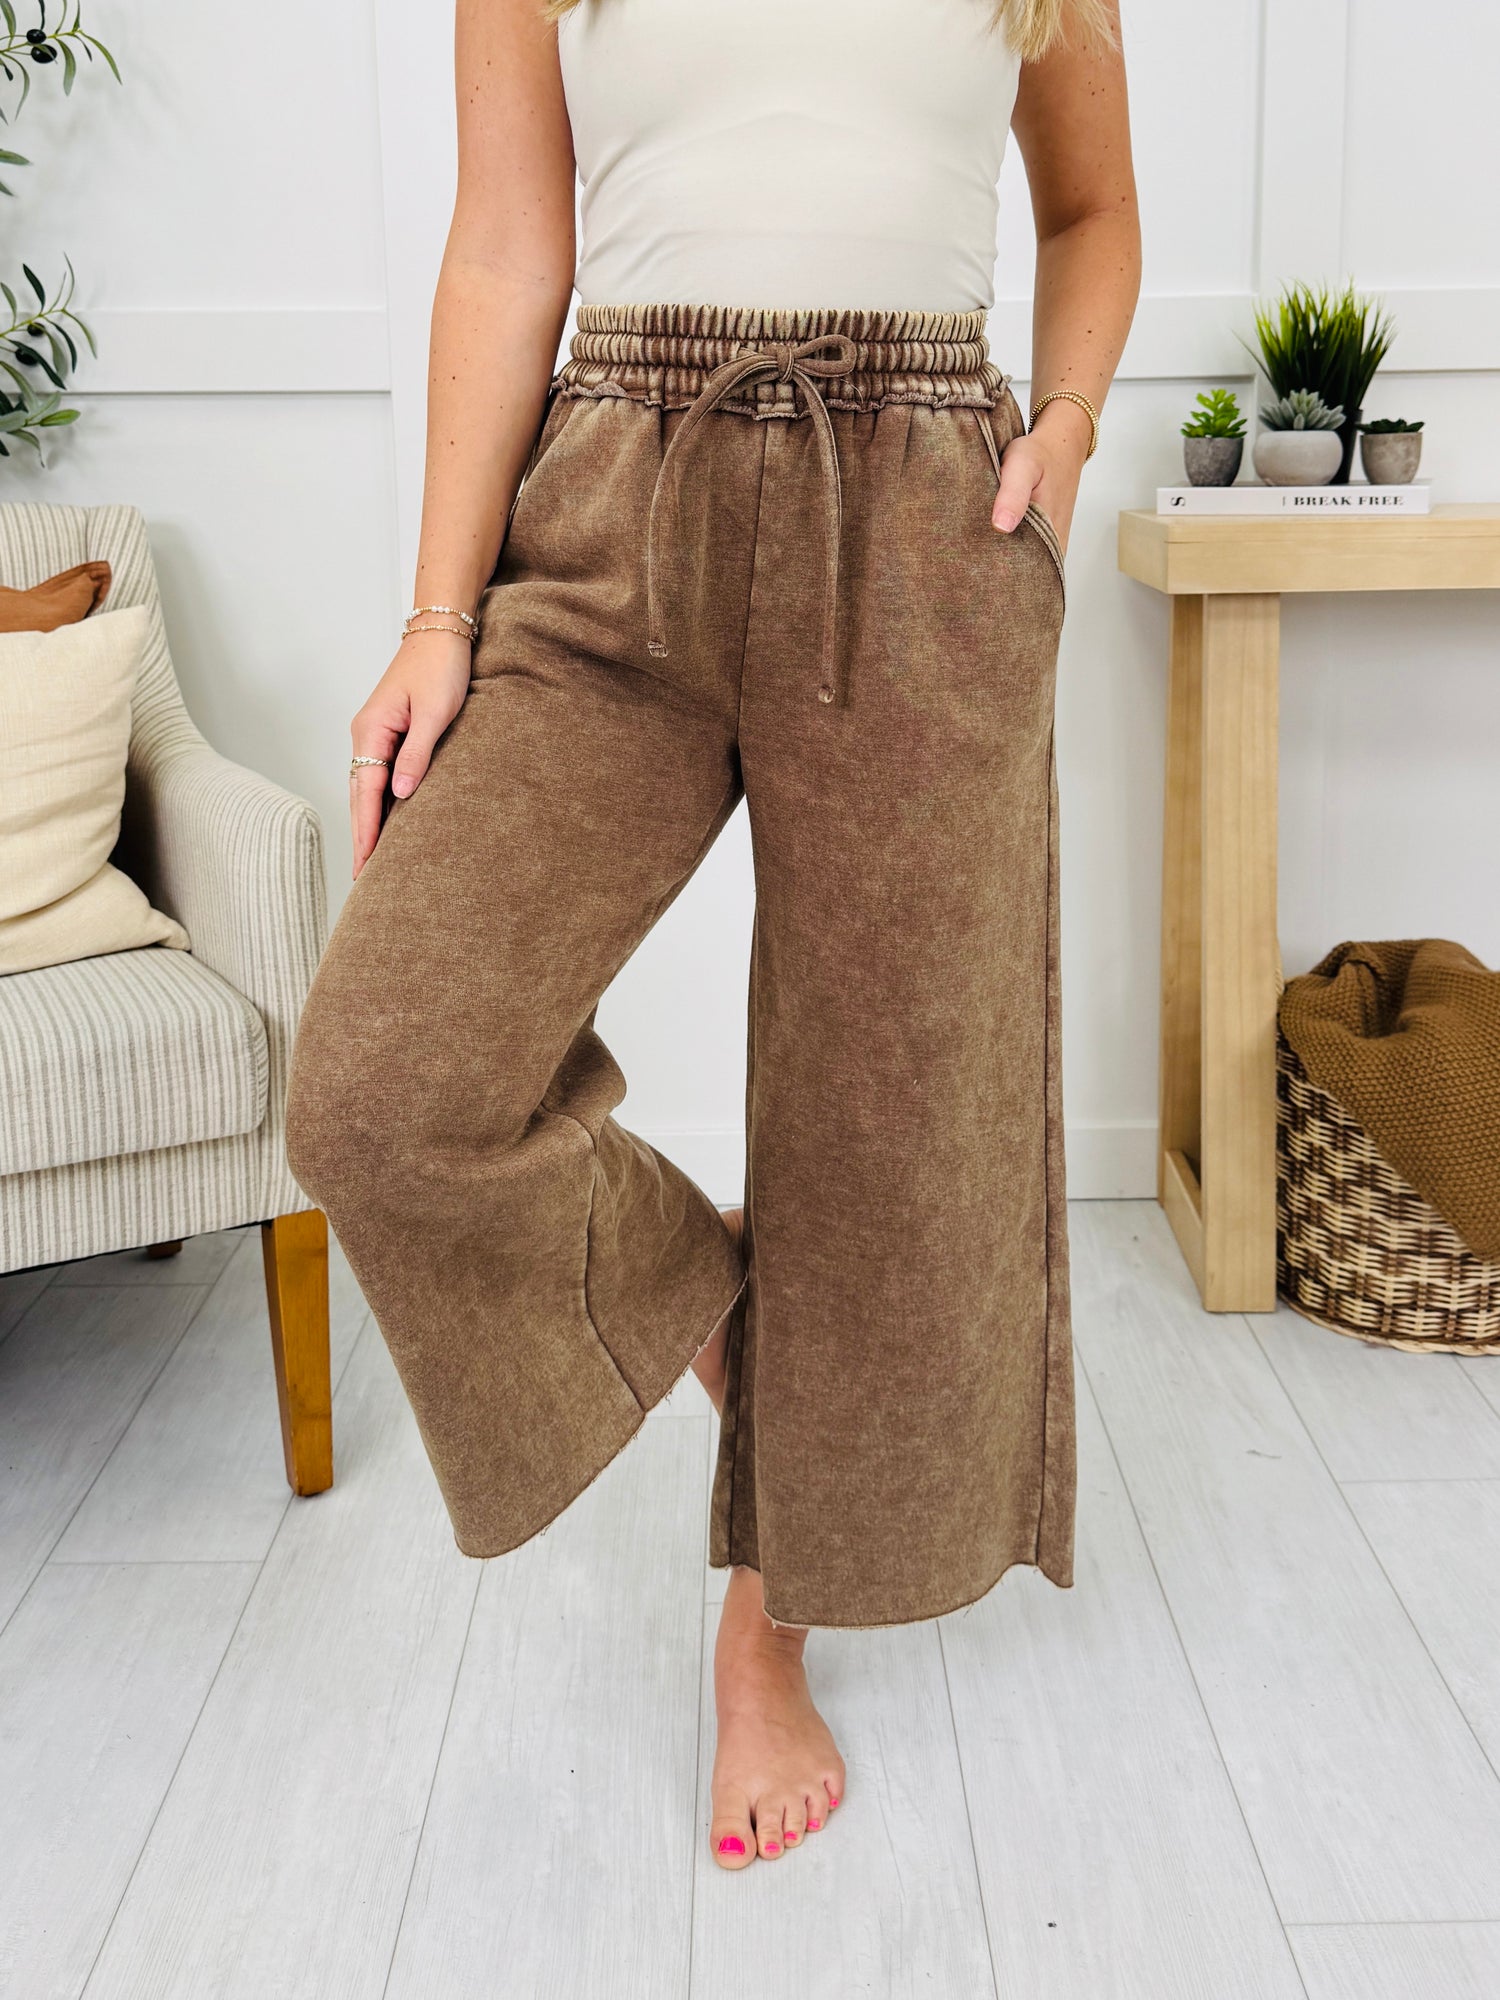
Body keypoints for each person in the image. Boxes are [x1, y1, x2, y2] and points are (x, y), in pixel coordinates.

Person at [285, 0, 1139, 1872]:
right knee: (382, 1089)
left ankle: (769, 1637)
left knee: (880, 1132)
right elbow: (505, 249)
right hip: (617, 502)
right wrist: (439, 618)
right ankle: (743, 1332)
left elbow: (1093, 212)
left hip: (922, 510)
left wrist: (1064, 429)